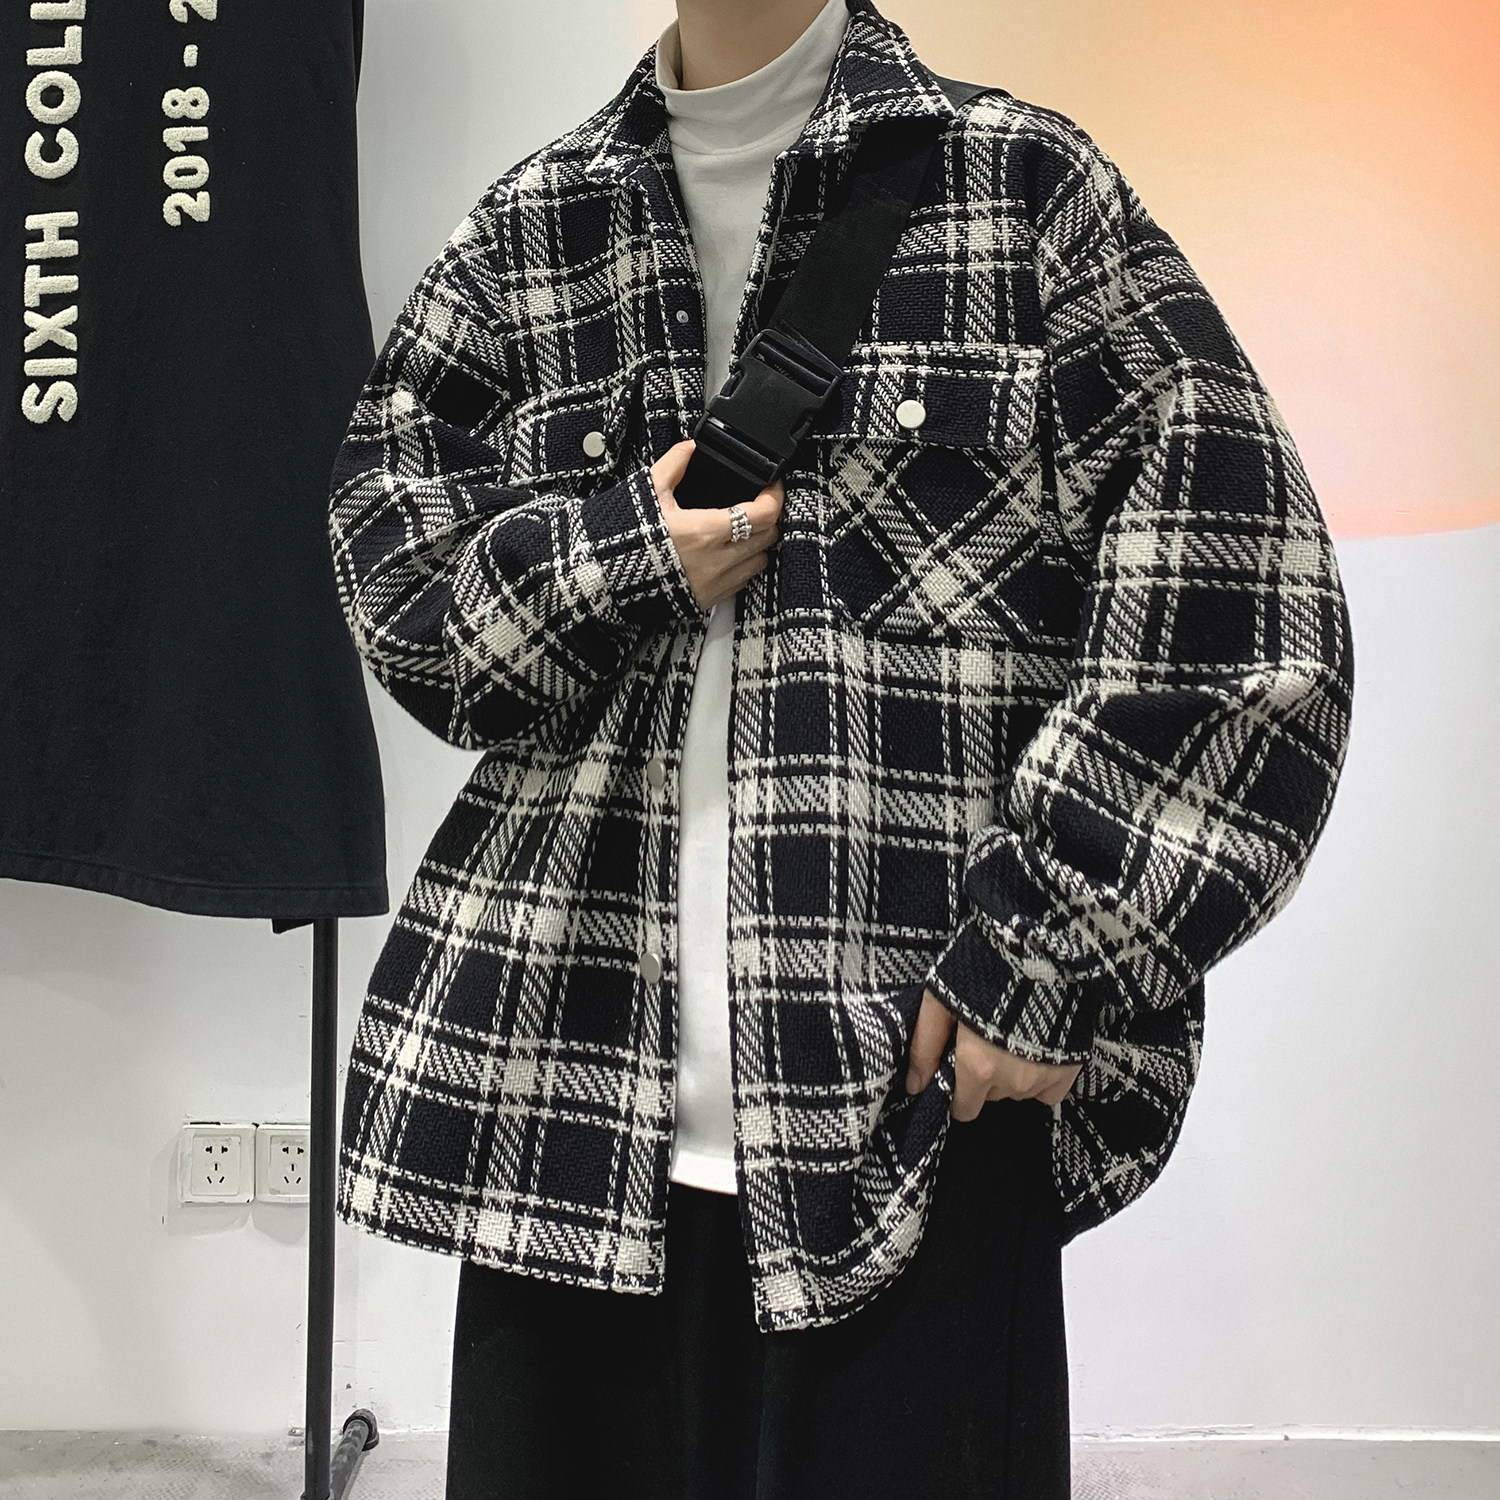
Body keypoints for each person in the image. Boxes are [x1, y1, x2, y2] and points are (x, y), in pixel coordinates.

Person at [327, 1, 1355, 1496]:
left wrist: (1045, 952)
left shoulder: (1023, 192)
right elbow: (406, 601)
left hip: (909, 1123)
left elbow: (1248, 613)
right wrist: (627, 555)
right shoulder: (535, 230)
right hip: (560, 1124)